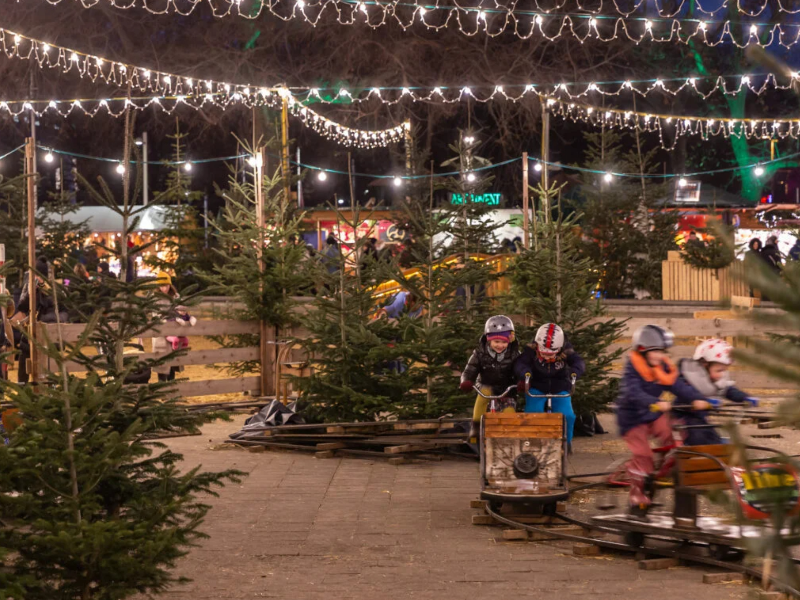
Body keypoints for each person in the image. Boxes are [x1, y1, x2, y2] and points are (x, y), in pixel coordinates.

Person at [616, 324, 709, 521]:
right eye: (655, 351)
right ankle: (638, 497)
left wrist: (696, 399)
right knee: (643, 455)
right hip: (632, 417)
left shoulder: (663, 367)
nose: (659, 355)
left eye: (662, 351)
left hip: (654, 414)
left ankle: (666, 466)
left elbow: (678, 386)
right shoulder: (633, 369)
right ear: (642, 351)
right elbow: (633, 392)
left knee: (676, 437)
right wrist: (654, 402)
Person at [675, 339, 758, 446]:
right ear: (704, 365)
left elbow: (728, 390)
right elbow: (686, 392)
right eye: (719, 370)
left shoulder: (716, 379)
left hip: (700, 418)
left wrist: (745, 398)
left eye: (724, 370)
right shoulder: (689, 377)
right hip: (682, 417)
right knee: (698, 438)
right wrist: (702, 400)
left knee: (713, 438)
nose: (722, 375)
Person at [513, 323, 585, 446]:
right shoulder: (530, 350)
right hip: (537, 386)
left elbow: (578, 361)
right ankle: (533, 441)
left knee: (568, 415)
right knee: (533, 412)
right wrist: (525, 374)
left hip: (560, 387)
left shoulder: (566, 350)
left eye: (551, 354)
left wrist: (574, 372)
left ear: (559, 349)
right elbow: (520, 363)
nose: (546, 357)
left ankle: (566, 442)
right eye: (543, 354)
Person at [460, 315, 521, 442]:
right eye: (496, 342)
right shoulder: (480, 354)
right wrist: (466, 381)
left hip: (507, 390)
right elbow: (470, 369)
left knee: (509, 412)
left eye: (504, 342)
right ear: (488, 340)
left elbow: (521, 370)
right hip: (486, 386)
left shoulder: (514, 354)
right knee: (485, 392)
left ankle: (508, 439)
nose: (500, 345)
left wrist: (522, 382)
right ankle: (475, 427)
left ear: (509, 341)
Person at [150, 271, 197, 383]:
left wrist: (181, 318)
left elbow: (181, 310)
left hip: (175, 332)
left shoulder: (176, 297)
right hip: (161, 333)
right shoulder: (155, 298)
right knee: (162, 362)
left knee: (173, 362)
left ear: (170, 285)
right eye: (161, 286)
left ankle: (171, 388)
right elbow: (155, 315)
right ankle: (161, 388)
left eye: (166, 285)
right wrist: (165, 321)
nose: (164, 288)